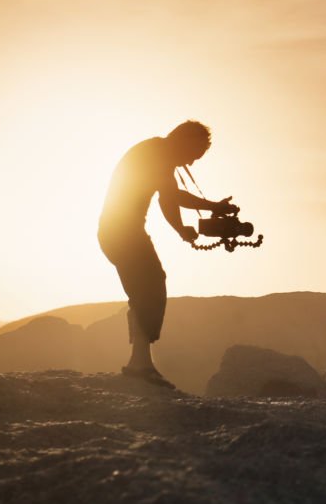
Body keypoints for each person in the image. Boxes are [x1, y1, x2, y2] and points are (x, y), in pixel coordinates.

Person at [98, 121, 238, 388]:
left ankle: (139, 362)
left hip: (119, 232)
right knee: (150, 289)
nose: (192, 163)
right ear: (185, 141)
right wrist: (185, 228)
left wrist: (207, 211)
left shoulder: (154, 152)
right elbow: (169, 199)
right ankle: (139, 365)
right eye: (194, 155)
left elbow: (170, 196)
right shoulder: (157, 154)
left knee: (145, 290)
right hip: (124, 233)